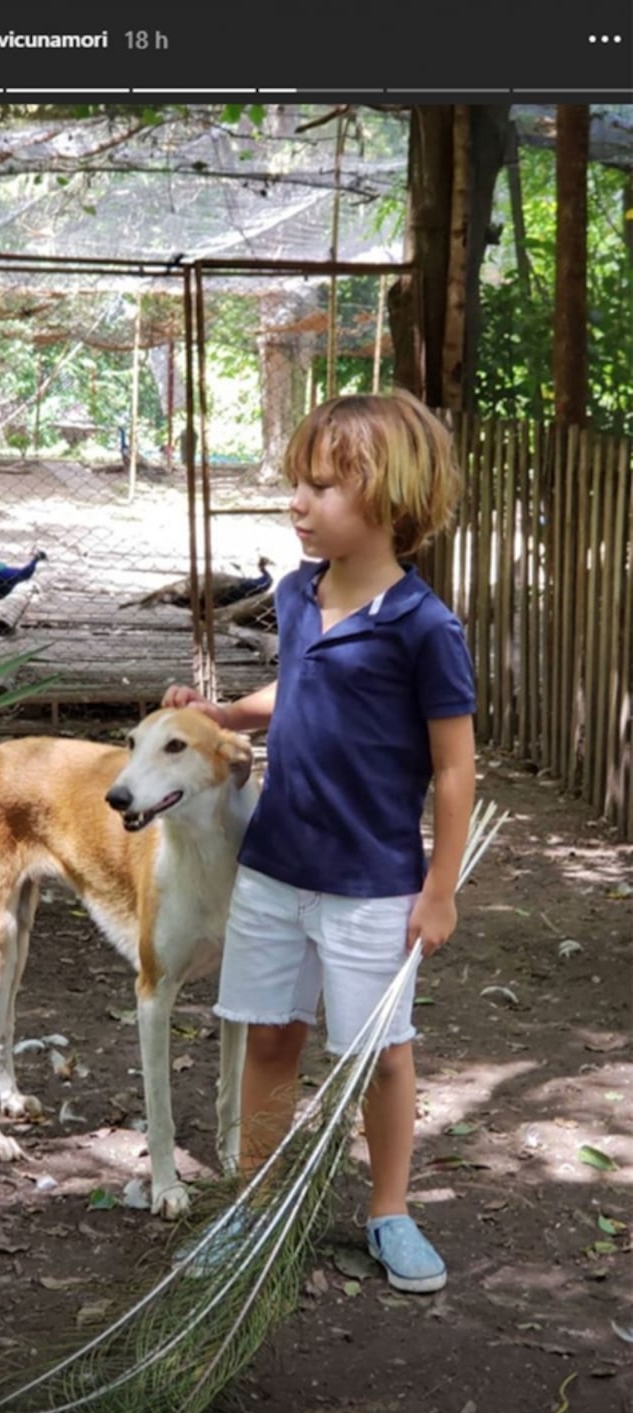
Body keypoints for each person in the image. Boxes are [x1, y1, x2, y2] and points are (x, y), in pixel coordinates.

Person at [163, 390, 477, 1292]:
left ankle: (389, 1211)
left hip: (373, 884)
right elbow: (294, 697)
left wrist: (439, 887)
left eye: (321, 486)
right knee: (268, 1039)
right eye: (296, 482)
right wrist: (221, 710)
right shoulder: (297, 595)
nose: (296, 501)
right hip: (273, 869)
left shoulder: (425, 628)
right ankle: (257, 1211)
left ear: (385, 499)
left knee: (379, 1052)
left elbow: (454, 769)